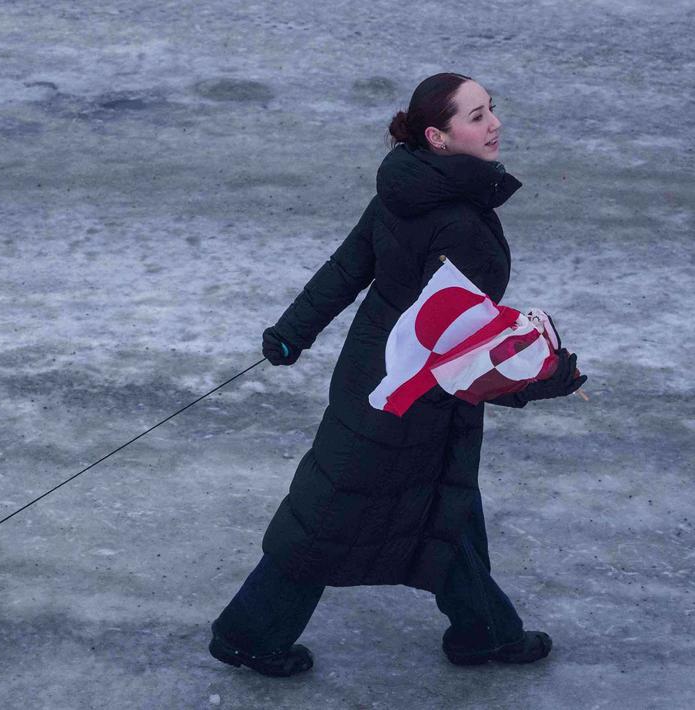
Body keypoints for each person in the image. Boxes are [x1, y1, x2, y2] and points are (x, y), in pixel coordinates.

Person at [209, 73, 588, 677]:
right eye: (476, 116)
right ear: (438, 137)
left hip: (375, 374)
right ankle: (248, 635)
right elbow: (465, 352)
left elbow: (349, 266)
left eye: (491, 109)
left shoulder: (408, 184)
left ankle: (485, 632)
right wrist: (547, 377)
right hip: (407, 393)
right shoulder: (458, 223)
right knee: (331, 515)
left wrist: (292, 331)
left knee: (444, 508)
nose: (494, 124)